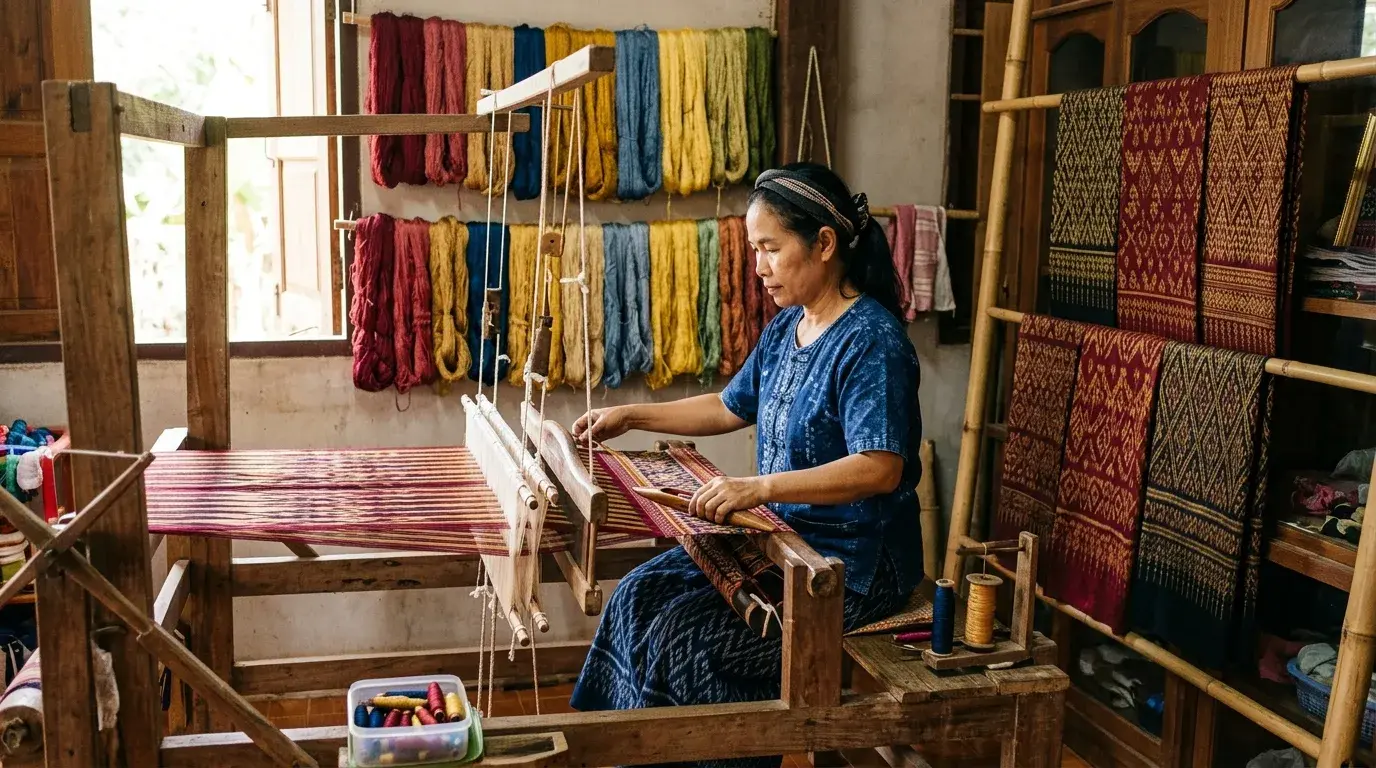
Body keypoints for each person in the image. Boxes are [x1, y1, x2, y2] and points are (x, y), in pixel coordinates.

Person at [569, 163, 924, 768]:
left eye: (769, 248)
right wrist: (632, 414)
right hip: (776, 543)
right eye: (754, 249)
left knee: (688, 643)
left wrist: (758, 487)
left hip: (853, 568)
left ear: (825, 244)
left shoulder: (872, 341)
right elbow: (729, 406)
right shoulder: (789, 327)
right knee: (635, 599)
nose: (757, 265)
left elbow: (879, 467)